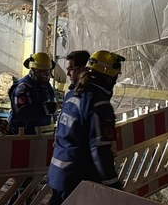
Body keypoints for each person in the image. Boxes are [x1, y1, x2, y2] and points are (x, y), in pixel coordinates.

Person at [47, 50, 125, 205]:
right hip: (78, 179)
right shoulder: (99, 104)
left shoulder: (73, 95)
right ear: (109, 77)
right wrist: (112, 184)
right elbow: (100, 149)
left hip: (59, 173)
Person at [8, 52, 58, 136]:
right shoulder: (23, 87)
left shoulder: (46, 86)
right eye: (41, 72)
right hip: (23, 135)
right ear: (32, 70)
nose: (45, 76)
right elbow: (22, 113)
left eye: (47, 72)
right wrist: (48, 109)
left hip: (41, 134)